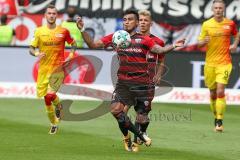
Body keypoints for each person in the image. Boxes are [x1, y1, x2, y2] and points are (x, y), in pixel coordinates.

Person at [76, 9, 185, 152]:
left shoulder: (144, 39)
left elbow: (159, 50)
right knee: (116, 111)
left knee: (142, 118)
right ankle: (131, 137)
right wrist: (82, 29)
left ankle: (141, 134)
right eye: (125, 19)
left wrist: (174, 46)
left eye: (130, 19)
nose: (126, 22)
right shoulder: (116, 36)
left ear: (136, 22)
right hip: (123, 83)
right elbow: (93, 45)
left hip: (142, 84)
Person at [29, 4, 77, 134]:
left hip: (57, 69)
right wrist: (36, 54)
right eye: (49, 13)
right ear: (45, 15)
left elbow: (73, 43)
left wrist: (71, 55)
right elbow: (31, 48)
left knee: (49, 96)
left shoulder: (63, 31)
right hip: (43, 71)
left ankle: (56, 117)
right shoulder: (39, 31)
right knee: (47, 98)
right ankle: (55, 119)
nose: (51, 15)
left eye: (54, 13)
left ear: (57, 15)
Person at [198, 0, 239, 132]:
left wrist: (234, 45)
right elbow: (199, 43)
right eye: (216, 8)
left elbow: (236, 35)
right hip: (210, 64)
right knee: (212, 93)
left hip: (224, 63)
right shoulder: (206, 24)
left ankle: (219, 120)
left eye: (220, 8)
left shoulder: (230, 23)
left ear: (224, 9)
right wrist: (203, 41)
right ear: (212, 9)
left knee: (221, 90)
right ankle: (216, 116)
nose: (218, 10)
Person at [131, 9, 166, 152]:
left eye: (146, 21)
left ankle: (138, 136)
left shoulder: (158, 41)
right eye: (141, 20)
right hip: (131, 80)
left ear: (150, 23)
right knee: (124, 110)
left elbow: (162, 61)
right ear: (138, 23)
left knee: (143, 114)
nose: (143, 23)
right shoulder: (131, 38)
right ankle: (133, 138)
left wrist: (159, 74)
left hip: (148, 83)